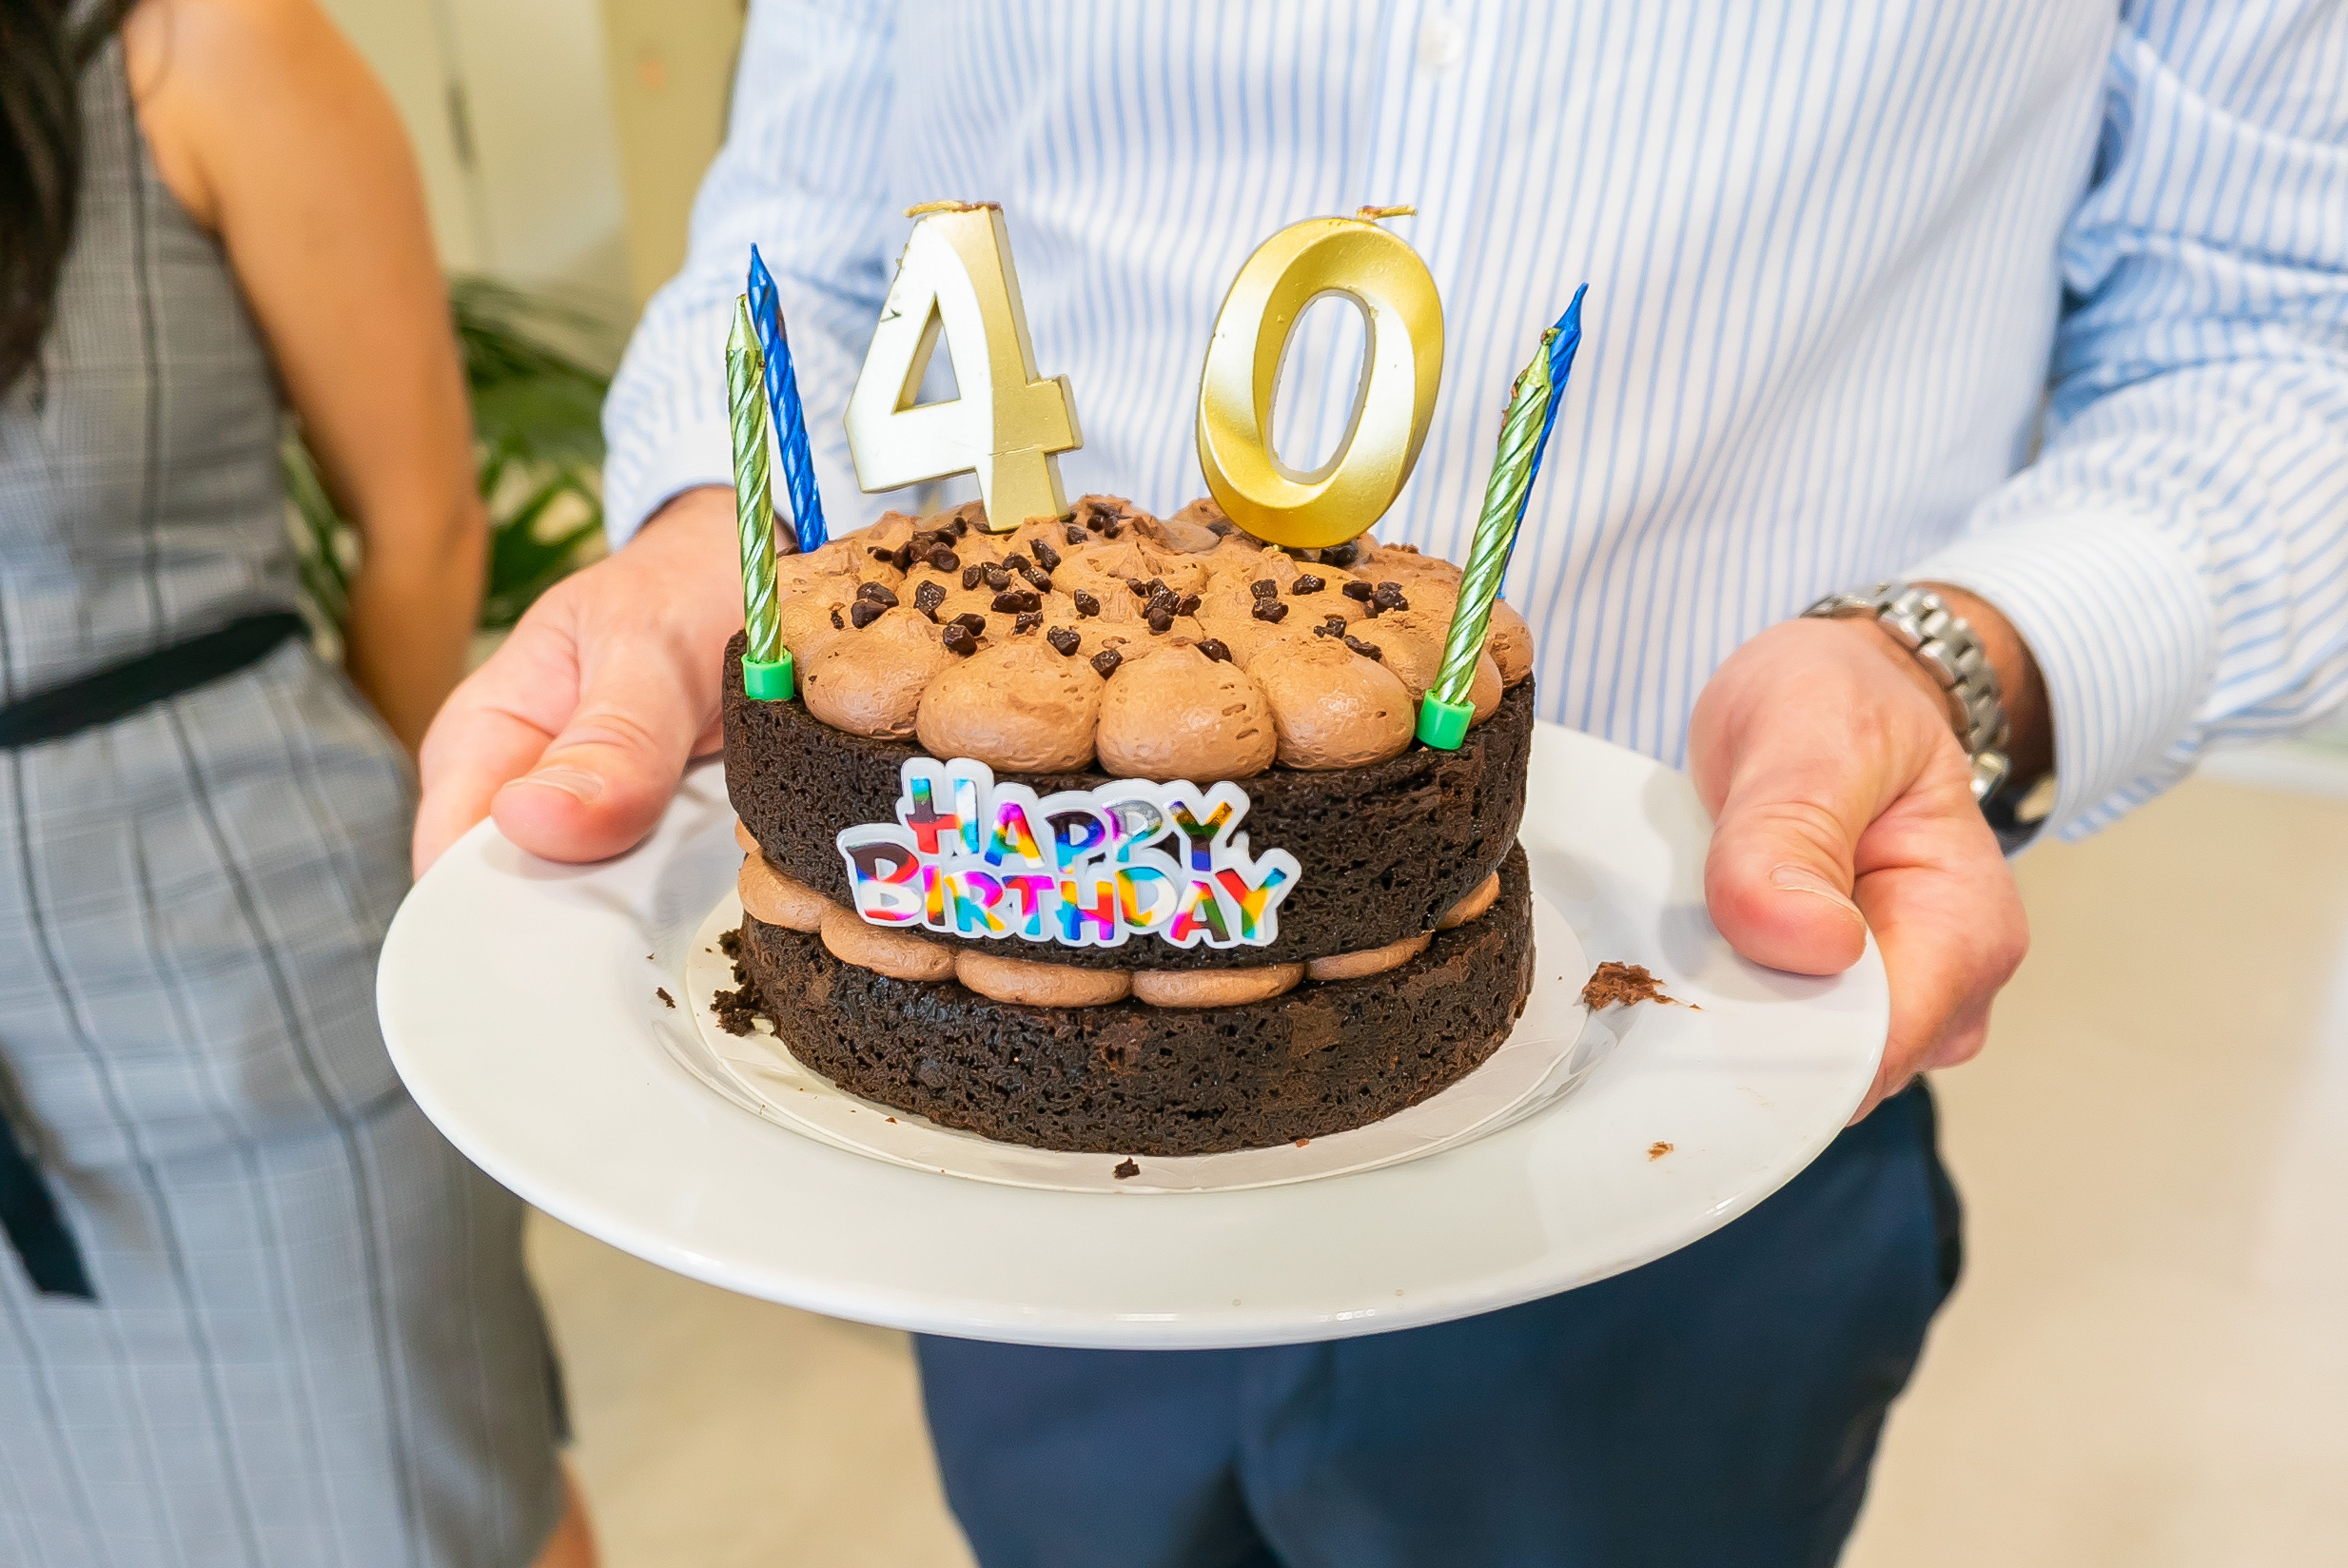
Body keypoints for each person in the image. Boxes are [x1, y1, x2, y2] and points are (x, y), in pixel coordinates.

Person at [420, 2, 2347, 1563]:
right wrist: (705, 537)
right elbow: (814, 235)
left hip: (1701, 1077)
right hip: (995, 1168)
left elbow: (2277, 327)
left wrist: (1953, 660)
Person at [0, 1, 593, 1564]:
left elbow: (424, 532)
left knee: (442, 1513)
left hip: (259, 1000)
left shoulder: (199, 44)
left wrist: (380, 876)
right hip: (21, 1090)